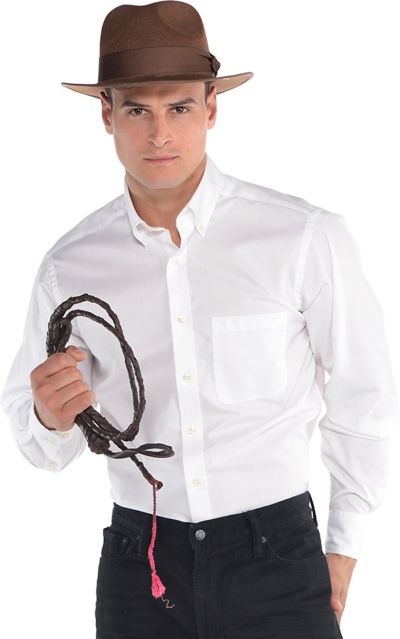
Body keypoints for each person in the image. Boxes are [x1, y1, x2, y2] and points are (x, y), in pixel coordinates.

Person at [1, 2, 398, 638]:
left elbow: (364, 392)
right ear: (106, 114)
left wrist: (345, 544)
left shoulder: (302, 238)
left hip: (278, 556)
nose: (160, 133)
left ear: (211, 108)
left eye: (180, 107)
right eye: (137, 110)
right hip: (140, 566)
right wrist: (51, 416)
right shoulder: (68, 267)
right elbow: (39, 442)